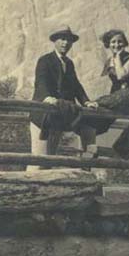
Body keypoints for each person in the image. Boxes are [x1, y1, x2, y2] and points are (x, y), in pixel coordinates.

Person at [28, 25, 98, 170]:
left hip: (59, 115)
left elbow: (76, 86)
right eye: (62, 39)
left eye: (69, 40)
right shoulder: (45, 60)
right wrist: (47, 97)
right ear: (55, 41)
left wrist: (86, 101)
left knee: (51, 157)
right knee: (39, 158)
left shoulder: (69, 63)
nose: (65, 43)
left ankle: (87, 162)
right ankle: (31, 181)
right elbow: (41, 82)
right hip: (42, 116)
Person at [85, 30, 129, 157]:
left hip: (127, 95)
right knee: (92, 120)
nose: (117, 45)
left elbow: (121, 75)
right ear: (108, 44)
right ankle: (89, 150)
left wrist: (117, 58)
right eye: (113, 42)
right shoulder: (109, 61)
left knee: (97, 105)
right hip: (114, 96)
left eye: (120, 41)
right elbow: (105, 81)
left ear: (125, 43)